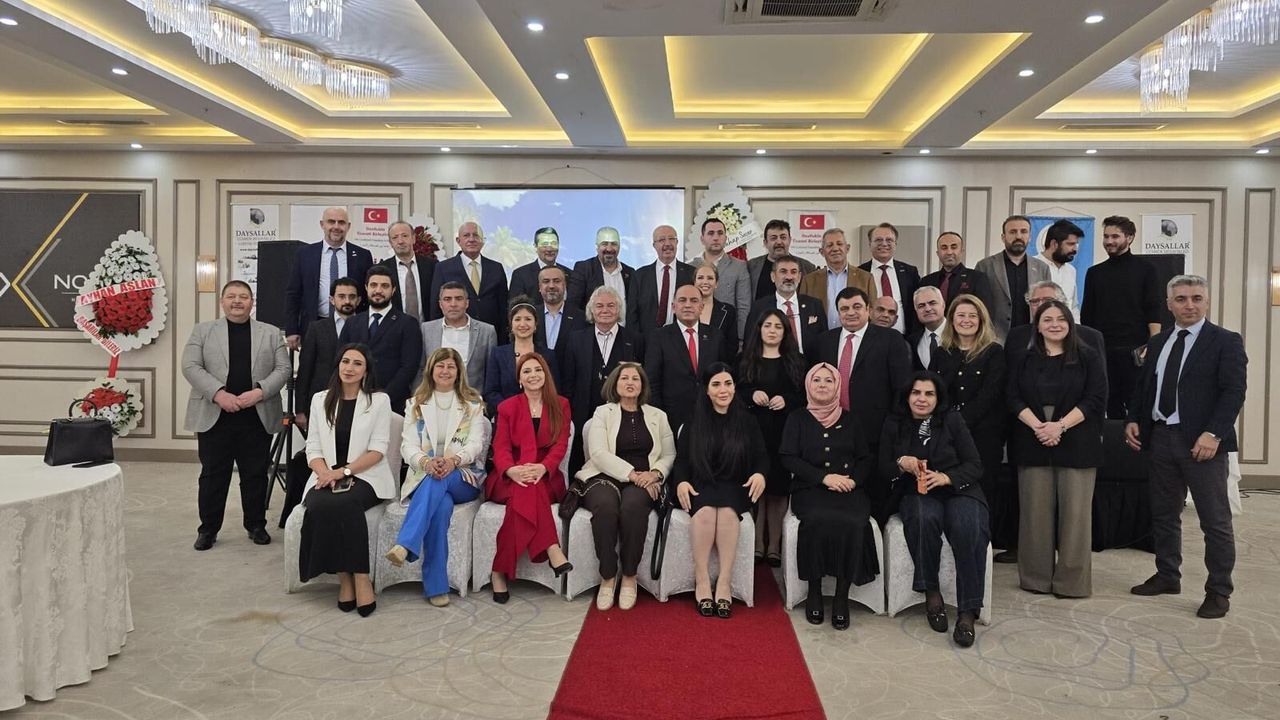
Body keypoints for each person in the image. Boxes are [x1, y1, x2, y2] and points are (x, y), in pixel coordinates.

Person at [1125, 275, 1247, 619]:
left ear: (1207, 301)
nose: (1189, 305)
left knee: (1215, 520)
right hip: (1161, 438)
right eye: (1181, 299)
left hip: (1202, 443)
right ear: (1169, 304)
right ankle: (1167, 575)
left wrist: (1214, 434)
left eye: (1196, 298)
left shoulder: (1225, 341)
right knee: (1164, 514)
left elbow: (1234, 392)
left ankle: (1219, 590)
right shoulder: (1159, 342)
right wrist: (1134, 418)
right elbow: (1145, 386)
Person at [879, 372, 989, 647]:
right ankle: (931, 592)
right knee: (922, 518)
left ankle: (967, 612)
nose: (922, 399)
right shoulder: (894, 422)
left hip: (958, 490)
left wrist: (946, 477)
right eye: (916, 392)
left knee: (968, 527)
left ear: (938, 398)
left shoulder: (952, 420)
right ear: (907, 396)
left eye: (929, 394)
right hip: (917, 492)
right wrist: (900, 463)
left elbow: (975, 465)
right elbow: (882, 468)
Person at [1007, 299, 1107, 598]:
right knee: (1034, 515)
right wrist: (1039, 427)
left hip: (1077, 438)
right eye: (1047, 319)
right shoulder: (1023, 358)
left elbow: (1095, 398)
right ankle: (1035, 578)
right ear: (1037, 326)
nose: (1055, 324)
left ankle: (1071, 583)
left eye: (1061, 319)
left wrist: (1059, 426)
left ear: (1070, 323)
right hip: (1032, 437)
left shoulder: (1088, 356)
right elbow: (1011, 397)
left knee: (1076, 517)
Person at [182, 281, 291, 550]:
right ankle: (208, 529)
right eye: (231, 296)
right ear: (222, 302)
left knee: (255, 474)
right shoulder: (203, 331)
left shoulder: (270, 333)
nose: (237, 301)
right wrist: (218, 394)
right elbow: (190, 366)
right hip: (215, 414)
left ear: (252, 302)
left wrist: (260, 392)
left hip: (256, 415)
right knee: (213, 475)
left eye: (243, 296)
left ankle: (256, 525)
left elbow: (283, 368)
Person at [385, 348, 490, 607]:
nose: (445, 371)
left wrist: (454, 461)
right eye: (440, 366)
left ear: (459, 372)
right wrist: (426, 462)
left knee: (439, 481)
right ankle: (436, 587)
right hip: (426, 474)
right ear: (431, 370)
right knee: (440, 507)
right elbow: (408, 445)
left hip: (463, 476)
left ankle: (405, 543)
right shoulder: (415, 404)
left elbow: (476, 444)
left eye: (451, 366)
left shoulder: (473, 404)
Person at [298, 344, 397, 617]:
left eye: (357, 363)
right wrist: (324, 473)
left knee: (346, 502)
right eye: (345, 361)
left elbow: (377, 450)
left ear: (366, 371)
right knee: (318, 505)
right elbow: (313, 446)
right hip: (325, 474)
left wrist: (342, 472)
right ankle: (345, 577)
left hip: (366, 475)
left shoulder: (379, 401)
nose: (349, 368)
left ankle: (361, 576)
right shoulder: (320, 399)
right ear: (338, 365)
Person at [571, 363, 676, 611]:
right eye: (624, 378)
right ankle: (608, 576)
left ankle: (629, 575)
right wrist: (631, 474)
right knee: (605, 507)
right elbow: (598, 453)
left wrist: (655, 474)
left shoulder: (658, 416)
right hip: (604, 475)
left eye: (635, 378)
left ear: (642, 385)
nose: (630, 382)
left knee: (632, 508)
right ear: (615, 384)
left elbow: (669, 454)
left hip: (646, 479)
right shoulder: (602, 412)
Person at [779, 363, 875, 631]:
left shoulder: (851, 419)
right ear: (808, 385)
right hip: (810, 489)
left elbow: (865, 458)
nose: (822, 385)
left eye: (829, 380)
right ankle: (815, 591)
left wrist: (853, 480)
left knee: (854, 522)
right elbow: (788, 457)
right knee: (816, 520)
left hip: (848, 489)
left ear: (838, 386)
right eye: (817, 380)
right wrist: (823, 478)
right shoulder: (797, 418)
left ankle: (842, 596)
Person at [671, 363, 768, 618]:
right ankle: (702, 580)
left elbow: (761, 457)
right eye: (716, 384)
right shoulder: (693, 421)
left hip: (735, 484)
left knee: (726, 513)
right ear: (706, 389)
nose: (723, 390)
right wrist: (681, 482)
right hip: (702, 483)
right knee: (704, 513)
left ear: (735, 387)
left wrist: (760, 474)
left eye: (728, 383)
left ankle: (724, 582)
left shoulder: (747, 421)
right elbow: (681, 461)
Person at [811, 287, 912, 514]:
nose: (851, 312)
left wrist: (892, 427)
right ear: (838, 312)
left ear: (868, 309)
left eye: (857, 307)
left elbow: (902, 388)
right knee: (839, 495)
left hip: (875, 432)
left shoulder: (890, 339)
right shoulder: (824, 341)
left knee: (873, 497)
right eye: (844, 308)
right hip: (833, 430)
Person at [488, 353, 575, 602]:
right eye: (526, 371)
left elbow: (560, 445)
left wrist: (543, 467)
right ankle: (552, 548)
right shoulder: (507, 407)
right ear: (519, 379)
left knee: (527, 490)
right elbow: (501, 447)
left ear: (546, 374)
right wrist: (511, 470)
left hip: (546, 476)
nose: (533, 375)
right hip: (509, 475)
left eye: (538, 370)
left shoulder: (561, 404)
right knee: (525, 487)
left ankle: (498, 571)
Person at [935, 294, 1010, 554]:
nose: (966, 320)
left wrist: (958, 424)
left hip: (983, 438)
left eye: (972, 315)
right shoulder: (942, 352)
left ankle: (981, 553)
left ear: (981, 320)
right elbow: (935, 393)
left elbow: (990, 395)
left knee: (983, 492)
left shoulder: (994, 352)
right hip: (947, 440)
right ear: (951, 320)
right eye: (961, 315)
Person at [739, 309, 806, 566]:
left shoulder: (796, 361)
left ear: (785, 332)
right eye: (767, 325)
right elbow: (735, 392)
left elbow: (804, 396)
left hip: (784, 431)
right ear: (759, 329)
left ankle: (774, 546)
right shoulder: (744, 359)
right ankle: (757, 544)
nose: (772, 330)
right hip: (752, 432)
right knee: (755, 485)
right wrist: (751, 395)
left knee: (778, 487)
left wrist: (786, 400)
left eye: (778, 326)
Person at [1080, 215, 1163, 418]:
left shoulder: (1146, 269)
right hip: (1103, 351)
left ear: (1130, 238)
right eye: (1106, 236)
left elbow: (1154, 309)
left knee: (1139, 406)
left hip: (1136, 351)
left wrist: (1153, 345)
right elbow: (1087, 315)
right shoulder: (1094, 273)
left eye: (1115, 236)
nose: (1109, 241)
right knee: (1109, 407)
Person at [560, 285, 645, 474]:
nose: (605, 310)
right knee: (582, 463)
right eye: (599, 306)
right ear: (591, 310)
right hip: (582, 413)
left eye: (610, 305)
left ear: (619, 309)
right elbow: (568, 382)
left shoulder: (635, 339)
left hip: (621, 414)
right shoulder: (576, 339)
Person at [283, 206, 374, 350]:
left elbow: (369, 294)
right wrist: (292, 329)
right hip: (314, 325)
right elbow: (293, 293)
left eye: (341, 222)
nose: (336, 227)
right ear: (322, 224)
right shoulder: (304, 254)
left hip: (352, 325)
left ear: (348, 226)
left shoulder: (363, 255)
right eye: (331, 222)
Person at [645, 284, 729, 435]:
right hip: (671, 418)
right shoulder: (659, 337)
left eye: (694, 300)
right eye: (682, 300)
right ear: (673, 307)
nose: (688, 305)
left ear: (701, 307)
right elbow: (652, 381)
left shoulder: (716, 336)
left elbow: (724, 377)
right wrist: (659, 416)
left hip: (711, 416)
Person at [344, 266, 423, 413]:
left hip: (392, 403)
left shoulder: (407, 323)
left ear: (393, 290)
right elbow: (341, 359)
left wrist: (384, 397)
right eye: (373, 285)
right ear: (366, 288)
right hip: (354, 399)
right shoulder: (352, 322)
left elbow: (409, 367)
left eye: (385, 286)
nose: (378, 290)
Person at [295, 276, 361, 431]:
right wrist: (300, 410)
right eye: (341, 296)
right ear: (332, 299)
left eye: (352, 297)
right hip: (322, 399)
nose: (347, 301)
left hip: (358, 401)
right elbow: (305, 370)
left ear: (358, 300)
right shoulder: (316, 329)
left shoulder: (366, 327)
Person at [428, 221, 510, 343]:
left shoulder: (496, 268)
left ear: (482, 240)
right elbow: (436, 306)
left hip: (491, 337)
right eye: (466, 235)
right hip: (455, 336)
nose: (471, 239)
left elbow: (504, 307)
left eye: (476, 235)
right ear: (458, 241)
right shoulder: (443, 268)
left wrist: (504, 341)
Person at [974, 215, 1051, 344]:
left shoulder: (1042, 268)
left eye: (1024, 231)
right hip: (995, 339)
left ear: (1030, 237)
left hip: (1031, 339)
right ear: (1003, 237)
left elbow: (1048, 305)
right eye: (1013, 232)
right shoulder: (985, 266)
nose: (1018, 236)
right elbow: (977, 305)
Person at [1006, 282, 1107, 368]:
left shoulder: (1090, 337)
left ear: (1062, 303)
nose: (1040, 305)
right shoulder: (1016, 336)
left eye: (1047, 300)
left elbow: (1099, 379)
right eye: (1035, 301)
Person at [420, 281, 497, 393]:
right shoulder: (426, 329)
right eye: (447, 299)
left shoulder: (487, 331)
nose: (453, 304)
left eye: (458, 299)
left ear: (467, 303)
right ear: (440, 304)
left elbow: (491, 373)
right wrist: (421, 395)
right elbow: (421, 368)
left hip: (472, 397)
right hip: (434, 396)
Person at [483, 299, 557, 417]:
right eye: (517, 319)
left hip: (540, 417)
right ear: (511, 325)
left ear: (535, 324)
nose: (522, 324)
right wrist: (511, 410)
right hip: (507, 417)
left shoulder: (548, 355)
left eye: (528, 319)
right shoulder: (498, 354)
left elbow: (553, 390)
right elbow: (491, 392)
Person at [743, 254, 826, 355]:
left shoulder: (814, 305)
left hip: (808, 363)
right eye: (783, 271)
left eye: (793, 272)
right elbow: (750, 344)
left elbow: (824, 342)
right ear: (773, 277)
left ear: (799, 277)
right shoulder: (759, 307)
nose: (789, 277)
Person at [799, 228, 877, 331]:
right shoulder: (808, 281)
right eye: (829, 245)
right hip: (819, 337)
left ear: (847, 248)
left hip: (855, 337)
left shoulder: (866, 278)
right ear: (822, 252)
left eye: (839, 244)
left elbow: (873, 311)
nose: (835, 248)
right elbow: (802, 313)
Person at [627, 224, 694, 336]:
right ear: (654, 245)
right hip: (647, 340)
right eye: (662, 240)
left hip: (681, 339)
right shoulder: (639, 276)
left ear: (677, 242)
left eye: (671, 239)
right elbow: (632, 314)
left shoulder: (691, 273)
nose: (667, 243)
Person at [690, 218, 751, 337]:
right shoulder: (691, 266)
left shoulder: (739, 266)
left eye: (720, 233)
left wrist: (741, 339)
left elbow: (744, 307)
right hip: (695, 333)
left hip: (727, 334)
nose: (716, 238)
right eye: (710, 233)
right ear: (702, 239)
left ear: (726, 238)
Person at [858, 222, 920, 335]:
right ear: (870, 244)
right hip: (869, 336)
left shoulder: (910, 272)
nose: (884, 243)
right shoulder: (859, 273)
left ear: (895, 244)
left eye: (889, 240)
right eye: (878, 240)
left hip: (904, 337)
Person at [567, 226, 635, 317]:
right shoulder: (584, 269)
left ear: (619, 247)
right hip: (591, 326)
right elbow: (573, 305)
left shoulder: (630, 272)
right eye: (604, 244)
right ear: (597, 247)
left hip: (624, 326)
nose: (609, 249)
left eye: (614, 244)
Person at [919, 232, 994, 313]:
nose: (949, 252)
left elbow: (985, 313)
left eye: (954, 247)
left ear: (962, 251)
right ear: (938, 253)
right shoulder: (926, 282)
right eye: (944, 248)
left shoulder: (977, 279)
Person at [379, 220, 435, 322]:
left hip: (427, 327)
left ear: (413, 238)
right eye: (395, 237)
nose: (400, 241)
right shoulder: (382, 269)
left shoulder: (432, 266)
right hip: (394, 328)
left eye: (404, 236)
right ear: (391, 243)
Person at [747, 219, 817, 300]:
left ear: (789, 240)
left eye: (783, 237)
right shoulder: (751, 266)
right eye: (773, 238)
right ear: (765, 242)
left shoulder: (807, 267)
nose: (779, 242)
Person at [1035, 220, 1082, 322]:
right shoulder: (1033, 266)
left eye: (1076, 244)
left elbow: (1073, 306)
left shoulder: (1071, 270)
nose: (1075, 249)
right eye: (1070, 244)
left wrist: (1077, 328)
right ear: (1054, 244)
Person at [509, 227, 572, 302]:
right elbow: (516, 306)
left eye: (554, 243)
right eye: (544, 244)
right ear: (535, 247)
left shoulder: (570, 274)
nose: (549, 249)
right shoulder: (521, 275)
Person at [692, 262, 739, 357]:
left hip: (719, 363)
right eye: (700, 278)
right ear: (694, 282)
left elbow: (732, 346)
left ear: (716, 283)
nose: (705, 282)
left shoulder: (729, 311)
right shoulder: (685, 310)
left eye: (710, 278)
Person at [533, 265, 584, 351]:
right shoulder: (531, 315)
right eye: (546, 281)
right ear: (539, 287)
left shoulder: (580, 318)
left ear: (565, 285)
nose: (551, 286)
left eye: (557, 281)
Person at [907, 286, 946, 371]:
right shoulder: (911, 342)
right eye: (921, 306)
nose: (928, 309)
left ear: (943, 305)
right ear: (916, 311)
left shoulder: (959, 333)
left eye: (932, 303)